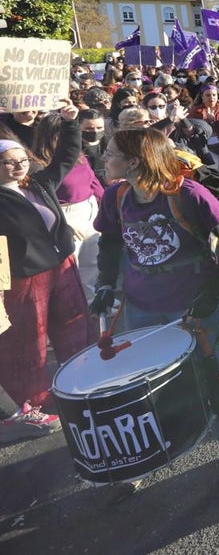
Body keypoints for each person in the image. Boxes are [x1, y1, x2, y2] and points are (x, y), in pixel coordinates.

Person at [92, 128, 219, 497]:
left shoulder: (187, 193)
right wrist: (104, 282)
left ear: (134, 161)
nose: (104, 159)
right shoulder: (116, 196)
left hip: (194, 310)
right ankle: (142, 459)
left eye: (110, 153)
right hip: (142, 311)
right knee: (143, 389)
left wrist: (211, 295)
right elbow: (110, 241)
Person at [0, 105, 91, 442]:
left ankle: (83, 381)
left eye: (20, 158)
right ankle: (34, 405)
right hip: (24, 279)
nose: (17, 164)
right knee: (27, 345)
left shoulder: (39, 181)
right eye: (7, 160)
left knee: (76, 326)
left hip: (62, 266)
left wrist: (71, 123)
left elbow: (68, 154)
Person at [31, 112, 105, 299]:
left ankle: (89, 300)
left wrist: (106, 203)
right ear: (51, 136)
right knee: (72, 266)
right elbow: (38, 200)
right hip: (66, 214)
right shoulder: (40, 165)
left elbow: (92, 180)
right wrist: (61, 224)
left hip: (89, 210)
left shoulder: (78, 156)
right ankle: (72, 306)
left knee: (92, 261)